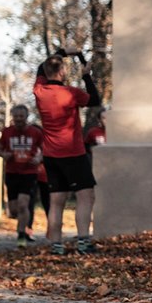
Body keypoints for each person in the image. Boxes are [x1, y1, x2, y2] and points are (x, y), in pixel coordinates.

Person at [33, 48, 102, 255]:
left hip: (51, 155)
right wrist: (86, 75)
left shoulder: (39, 91)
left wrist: (60, 53)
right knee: (86, 196)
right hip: (73, 152)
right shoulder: (71, 93)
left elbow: (41, 68)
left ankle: (56, 244)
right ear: (62, 72)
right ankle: (83, 242)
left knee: (56, 200)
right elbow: (95, 100)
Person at [0, 105, 44, 248]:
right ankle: (22, 222)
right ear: (12, 117)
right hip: (12, 172)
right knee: (14, 209)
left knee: (23, 204)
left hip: (29, 173)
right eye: (16, 117)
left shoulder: (35, 132)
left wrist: (39, 159)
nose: (18, 120)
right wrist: (4, 155)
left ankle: (22, 234)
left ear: (26, 116)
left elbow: (44, 148)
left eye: (21, 117)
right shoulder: (7, 132)